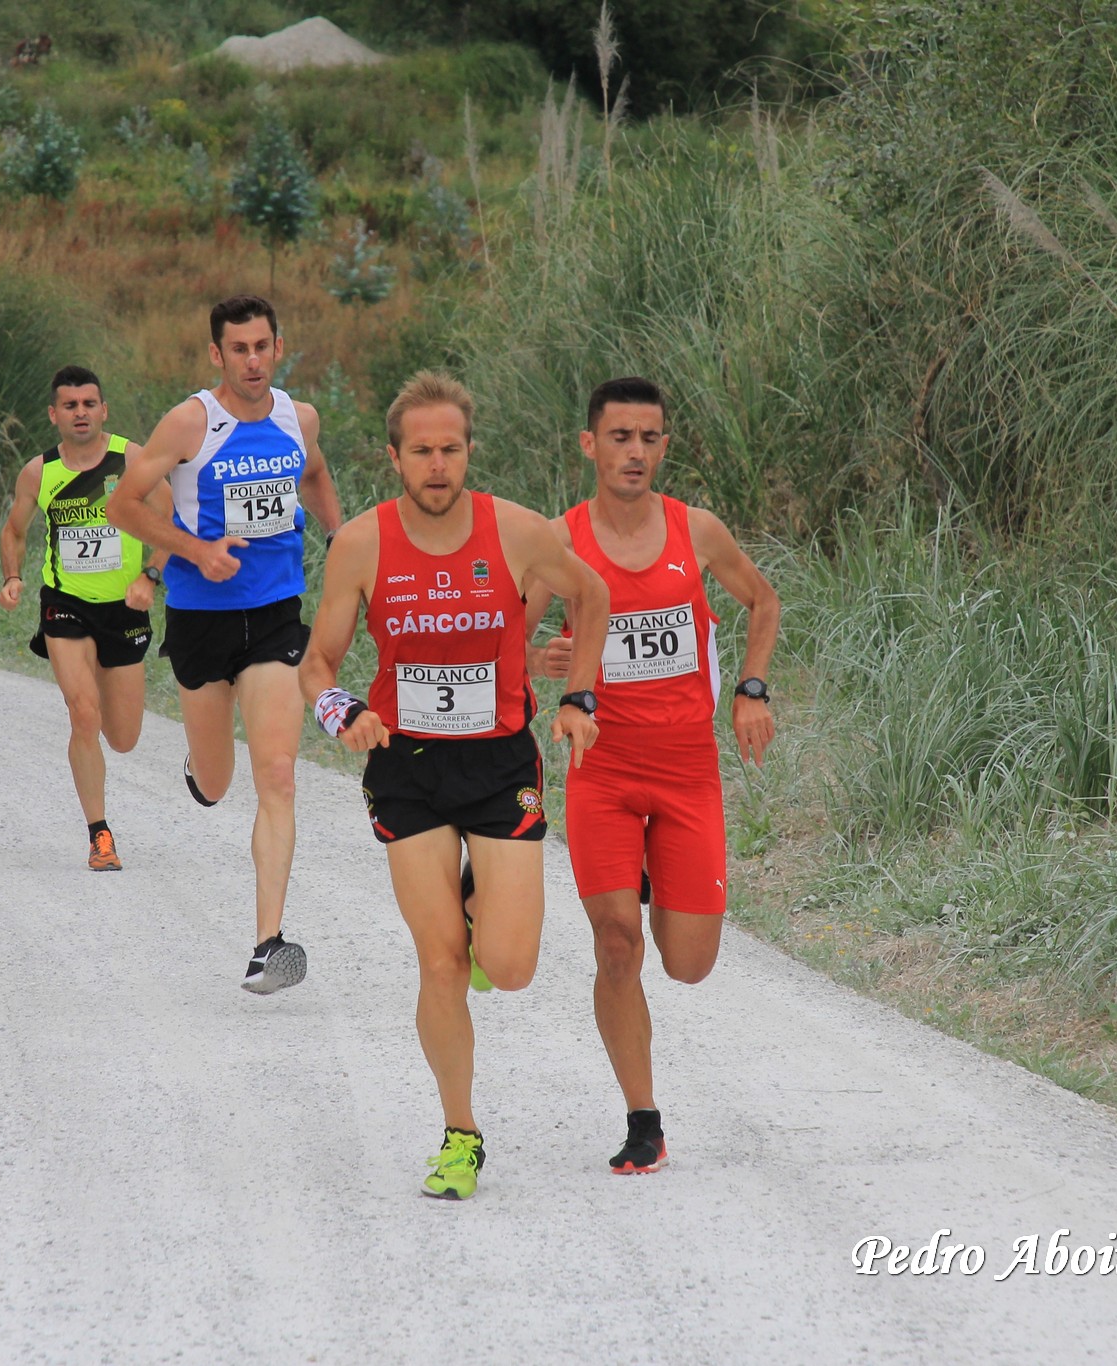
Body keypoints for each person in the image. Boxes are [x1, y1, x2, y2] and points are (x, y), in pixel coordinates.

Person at [300, 372, 609, 1200]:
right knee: (440, 964)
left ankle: (481, 904)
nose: (438, 465)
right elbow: (318, 662)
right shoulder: (361, 543)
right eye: (422, 452)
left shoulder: (518, 531)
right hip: (406, 767)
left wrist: (579, 697)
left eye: (451, 449)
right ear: (394, 457)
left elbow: (594, 593)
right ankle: (460, 1133)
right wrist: (342, 713)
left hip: (500, 763)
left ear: (470, 450)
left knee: (507, 968)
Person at [525, 376, 781, 1175]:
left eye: (650, 438)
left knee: (689, 963)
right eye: (620, 437)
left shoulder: (695, 531)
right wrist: (543, 658)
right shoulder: (557, 542)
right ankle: (644, 1120)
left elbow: (762, 602)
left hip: (687, 772)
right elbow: (508, 639)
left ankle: (648, 875)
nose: (635, 452)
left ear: (664, 446)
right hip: (602, 773)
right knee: (616, 946)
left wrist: (749, 687)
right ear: (589, 445)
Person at [106, 295, 343, 993]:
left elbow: (318, 475)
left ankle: (268, 944)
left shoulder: (297, 419)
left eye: (262, 346)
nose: (252, 360)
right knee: (217, 782)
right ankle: (199, 766)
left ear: (277, 347)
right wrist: (195, 551)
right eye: (238, 349)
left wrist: (342, 540)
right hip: (202, 618)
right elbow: (124, 504)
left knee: (278, 774)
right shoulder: (190, 423)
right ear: (217, 354)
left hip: (275, 618)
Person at [0, 365, 169, 871]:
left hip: (123, 608)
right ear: (54, 415)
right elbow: (14, 531)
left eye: (89, 404)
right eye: (70, 405)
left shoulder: (131, 459)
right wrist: (12, 576)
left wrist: (150, 577)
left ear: (103, 410)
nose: (80, 413)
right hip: (65, 605)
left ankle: (101, 677)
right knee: (83, 713)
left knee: (123, 737)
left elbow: (169, 521)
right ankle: (100, 835)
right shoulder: (39, 472)